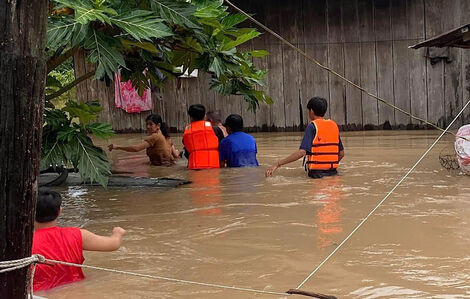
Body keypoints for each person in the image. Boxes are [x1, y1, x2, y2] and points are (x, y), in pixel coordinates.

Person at [32, 189, 126, 291]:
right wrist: (118, 232)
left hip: (38, 293)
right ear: (59, 211)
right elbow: (113, 244)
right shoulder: (78, 234)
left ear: (30, 212)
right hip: (76, 290)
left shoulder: (23, 243)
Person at [266, 97, 344, 178]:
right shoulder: (334, 126)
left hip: (316, 175)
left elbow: (302, 152)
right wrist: (328, 165)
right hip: (333, 174)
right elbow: (341, 154)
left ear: (311, 111)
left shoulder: (312, 126)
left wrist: (278, 163)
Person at [108, 114, 180, 166]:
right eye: (147, 124)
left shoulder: (154, 137)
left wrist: (117, 147)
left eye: (151, 124)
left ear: (158, 125)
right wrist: (179, 152)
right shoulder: (167, 137)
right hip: (169, 167)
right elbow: (176, 155)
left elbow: (137, 148)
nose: (148, 127)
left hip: (159, 169)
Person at [182, 104, 223, 169]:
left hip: (195, 168)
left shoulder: (186, 133)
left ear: (191, 117)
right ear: (204, 116)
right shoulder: (216, 130)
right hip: (214, 167)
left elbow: (187, 154)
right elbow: (222, 149)